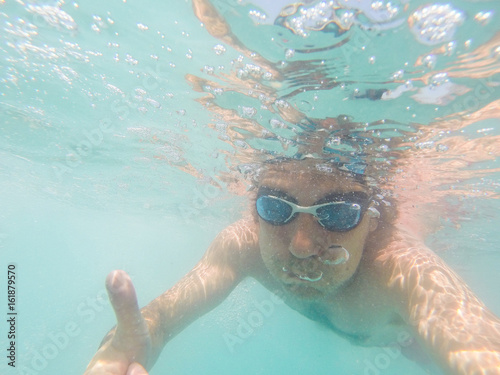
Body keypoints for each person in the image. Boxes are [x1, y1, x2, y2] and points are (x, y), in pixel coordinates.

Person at [83, 157, 500, 375]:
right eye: (276, 208)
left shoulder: (406, 273)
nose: (301, 247)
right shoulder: (242, 245)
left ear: (371, 222)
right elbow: (155, 322)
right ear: (254, 211)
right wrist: (128, 348)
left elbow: (481, 350)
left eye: (337, 214)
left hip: (408, 347)